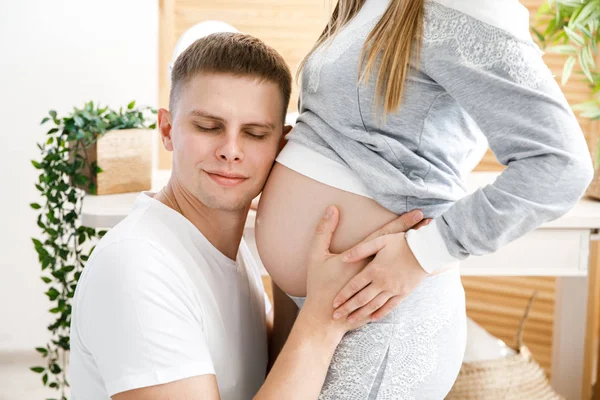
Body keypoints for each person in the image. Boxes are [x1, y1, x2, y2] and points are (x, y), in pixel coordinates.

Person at [255, 0, 595, 398]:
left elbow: (561, 165)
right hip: (317, 299)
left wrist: (424, 251)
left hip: (377, 310)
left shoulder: (466, 8)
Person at [68, 32, 426, 399]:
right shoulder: (137, 267)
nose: (231, 150)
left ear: (281, 147)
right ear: (167, 129)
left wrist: (298, 269)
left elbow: (256, 375)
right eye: (208, 127)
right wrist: (323, 321)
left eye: (255, 134)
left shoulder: (230, 253)